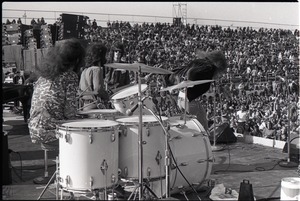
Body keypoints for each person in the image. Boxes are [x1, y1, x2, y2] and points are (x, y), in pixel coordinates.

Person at [28, 38, 85, 145]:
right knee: (89, 135)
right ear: (77, 60)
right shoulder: (70, 76)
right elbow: (70, 113)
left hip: (34, 127)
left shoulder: (44, 75)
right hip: (50, 130)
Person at [79, 42, 110, 111]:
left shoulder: (84, 70)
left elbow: (80, 90)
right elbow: (98, 90)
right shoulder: (97, 70)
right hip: (95, 107)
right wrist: (108, 96)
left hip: (84, 106)